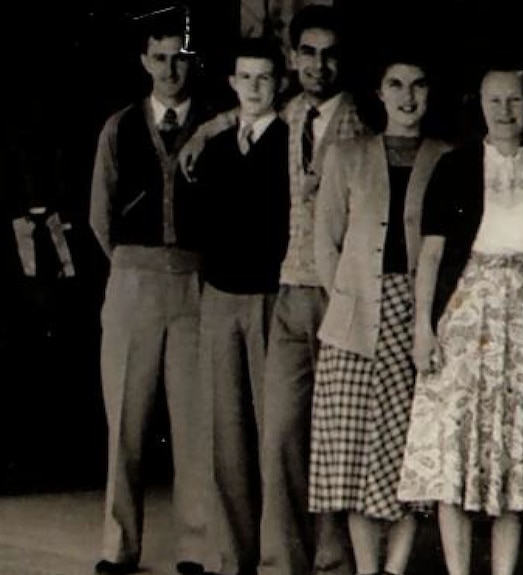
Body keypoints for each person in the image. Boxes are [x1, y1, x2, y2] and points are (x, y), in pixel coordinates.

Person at [180, 5, 367, 575]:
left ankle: (331, 560)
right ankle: (273, 561)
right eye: (306, 52)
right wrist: (202, 130)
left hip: (331, 293)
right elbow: (240, 114)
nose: (317, 63)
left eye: (327, 53)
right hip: (281, 289)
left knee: (327, 435)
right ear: (293, 59)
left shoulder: (363, 120)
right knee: (273, 438)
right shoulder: (282, 116)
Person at [397, 68, 523, 575]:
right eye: (494, 100)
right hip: (462, 317)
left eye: (514, 100)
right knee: (452, 455)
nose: (505, 110)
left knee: (510, 454)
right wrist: (423, 327)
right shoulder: (455, 166)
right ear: (478, 104)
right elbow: (432, 254)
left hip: (520, 319)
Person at [310, 51, 451, 575]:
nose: (407, 96)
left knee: (403, 453)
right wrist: (351, 298)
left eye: (418, 84)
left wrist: (428, 315)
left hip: (416, 323)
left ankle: (395, 568)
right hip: (352, 322)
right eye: (395, 84)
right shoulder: (346, 156)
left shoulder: (447, 156)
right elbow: (326, 244)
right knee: (350, 455)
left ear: (430, 93)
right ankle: (368, 570)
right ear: (379, 92)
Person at [89, 15, 209, 575]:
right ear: (144, 61)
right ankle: (118, 544)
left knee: (194, 422)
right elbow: (99, 215)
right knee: (126, 422)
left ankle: (195, 546)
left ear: (193, 62)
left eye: (180, 58)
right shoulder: (119, 127)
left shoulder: (214, 126)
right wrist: (134, 267)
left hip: (195, 283)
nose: (170, 69)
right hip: (133, 281)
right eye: (160, 58)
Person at [193, 38, 290, 575]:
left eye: (264, 78)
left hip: (271, 298)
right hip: (221, 298)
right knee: (225, 433)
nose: (254, 87)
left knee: (271, 434)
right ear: (231, 83)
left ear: (279, 84)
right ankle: (233, 557)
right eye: (245, 77)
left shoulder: (290, 141)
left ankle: (276, 557)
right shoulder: (214, 147)